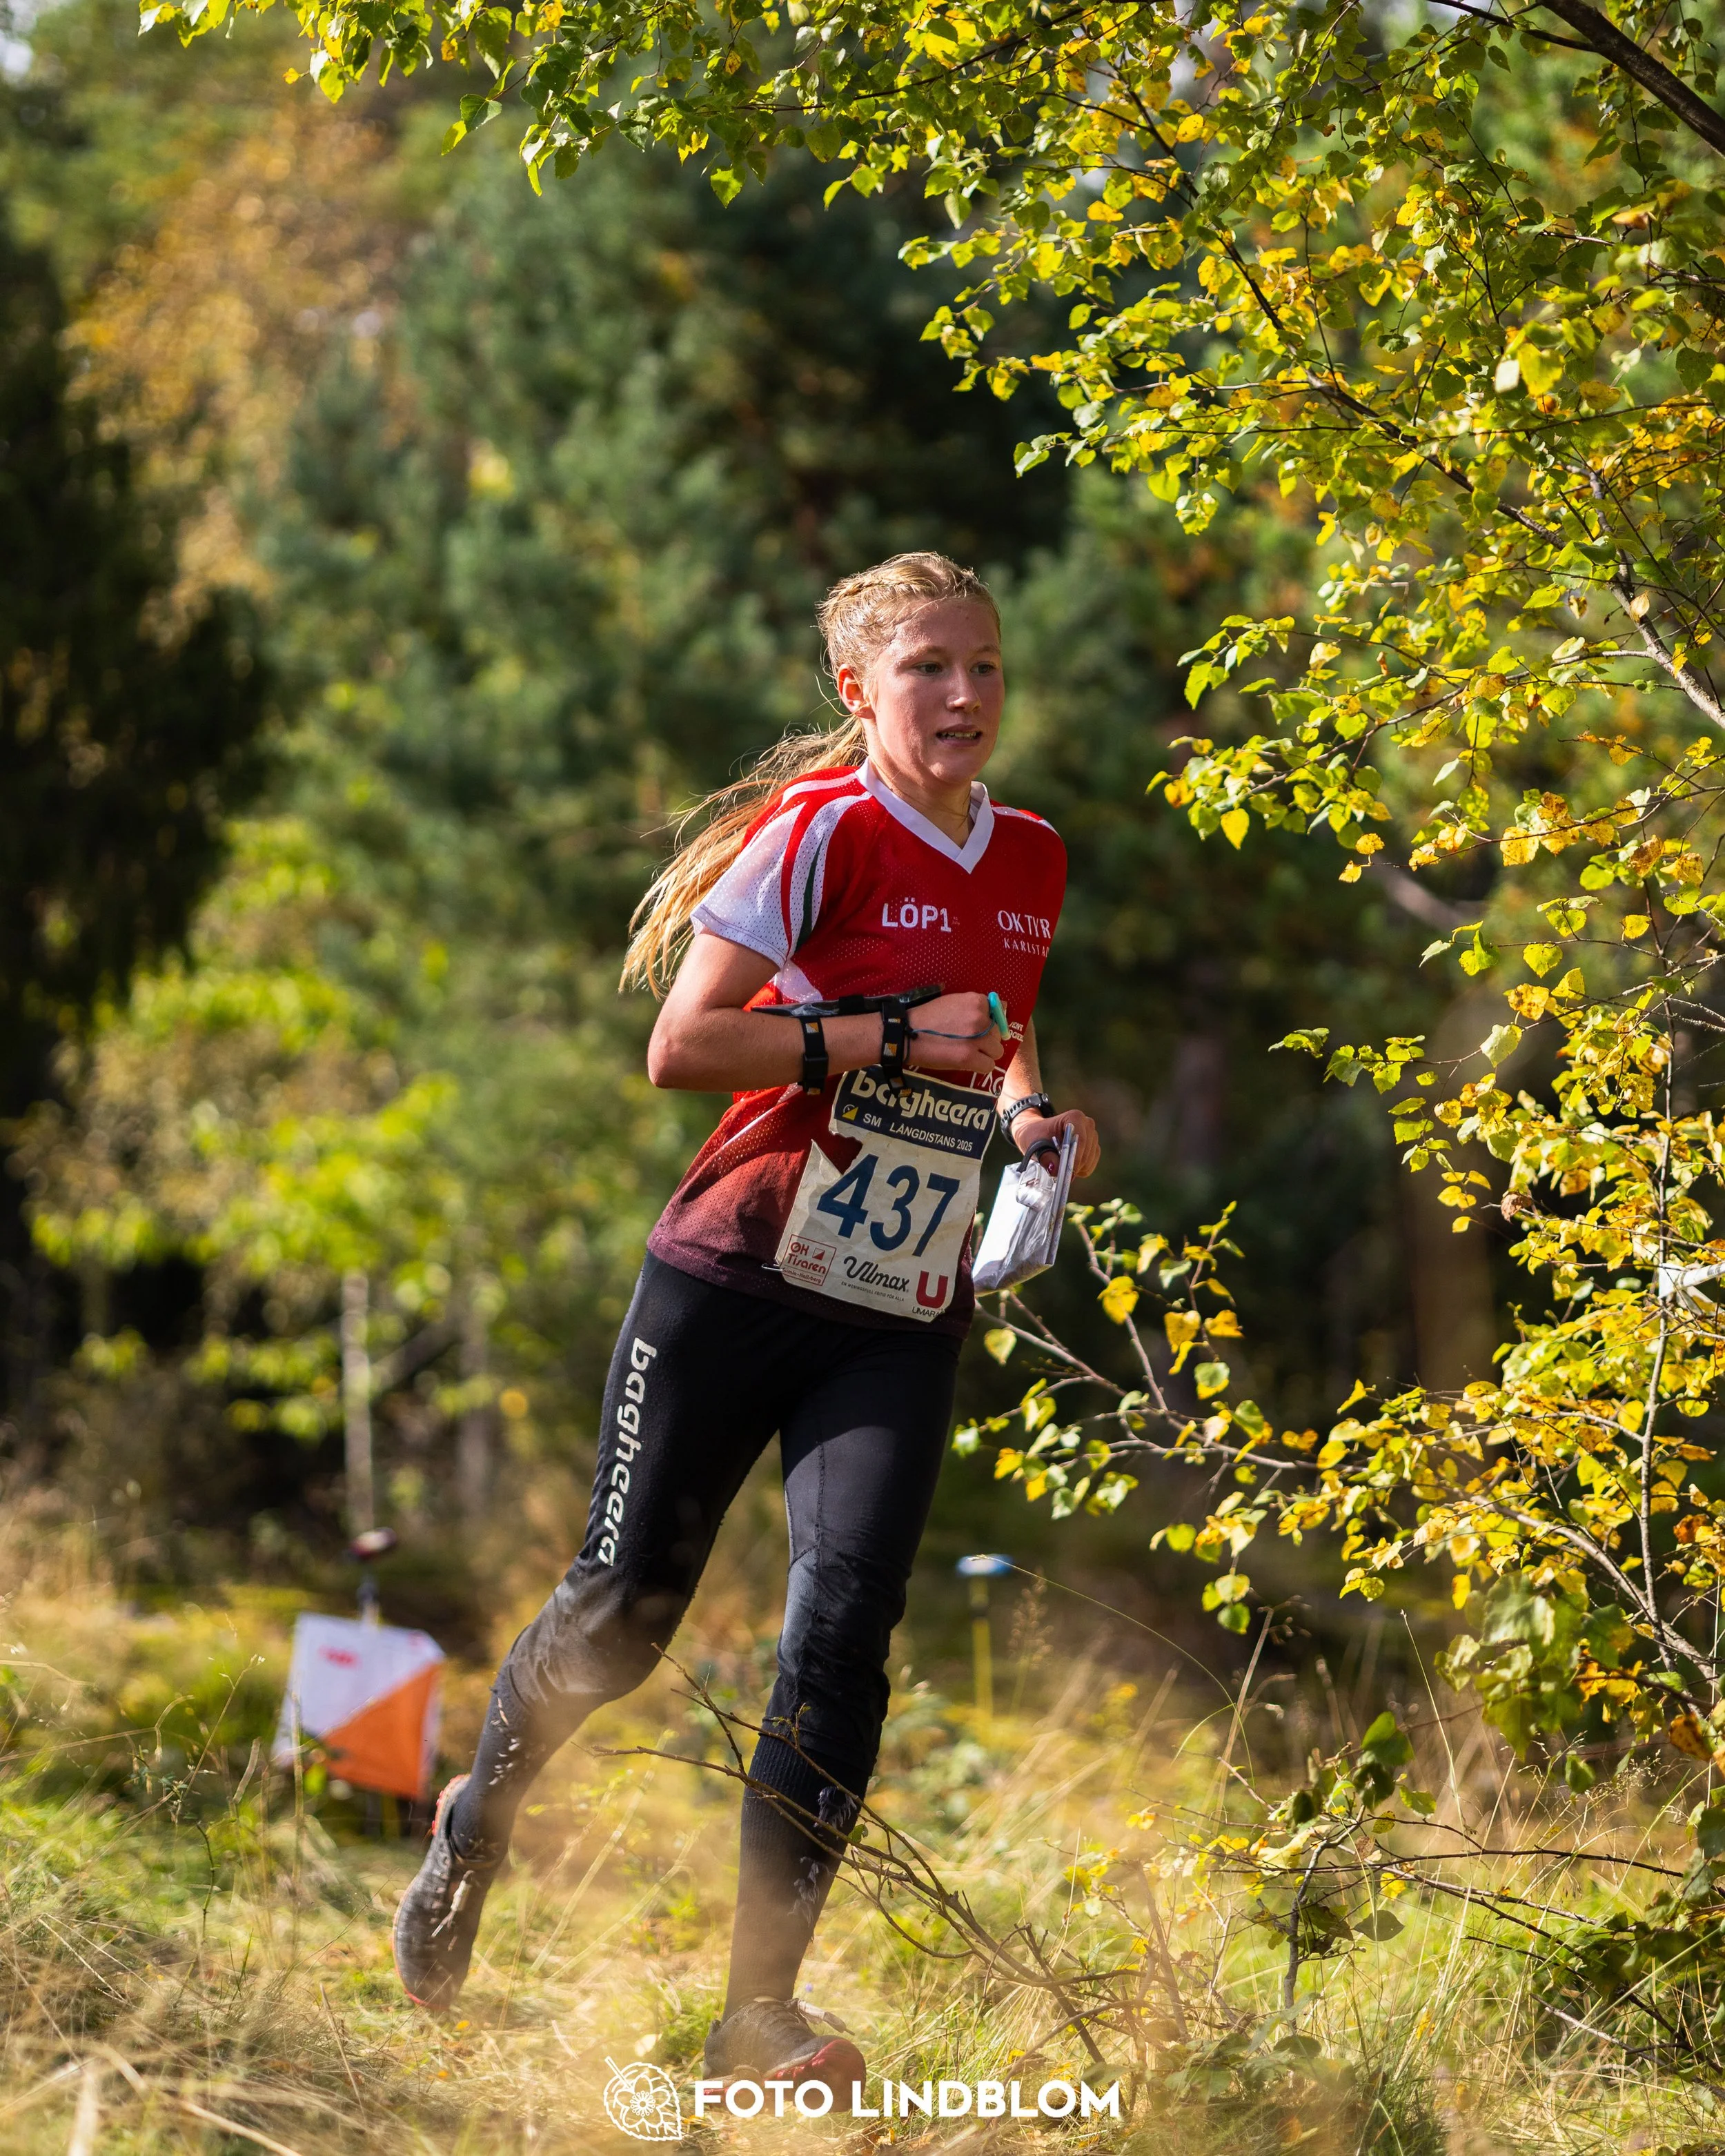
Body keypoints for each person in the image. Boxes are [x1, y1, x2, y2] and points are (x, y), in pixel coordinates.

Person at [393, 551, 1100, 2097]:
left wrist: (1035, 1118)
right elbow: (680, 1041)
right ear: (859, 689)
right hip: (730, 1275)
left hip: (894, 1306)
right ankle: (474, 1823)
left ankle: (753, 2019)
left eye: (982, 665)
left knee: (844, 1634)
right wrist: (881, 1031)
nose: (965, 693)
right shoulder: (819, 834)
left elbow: (1005, 1018)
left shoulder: (1031, 855)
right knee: (622, 1614)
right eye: (928, 669)